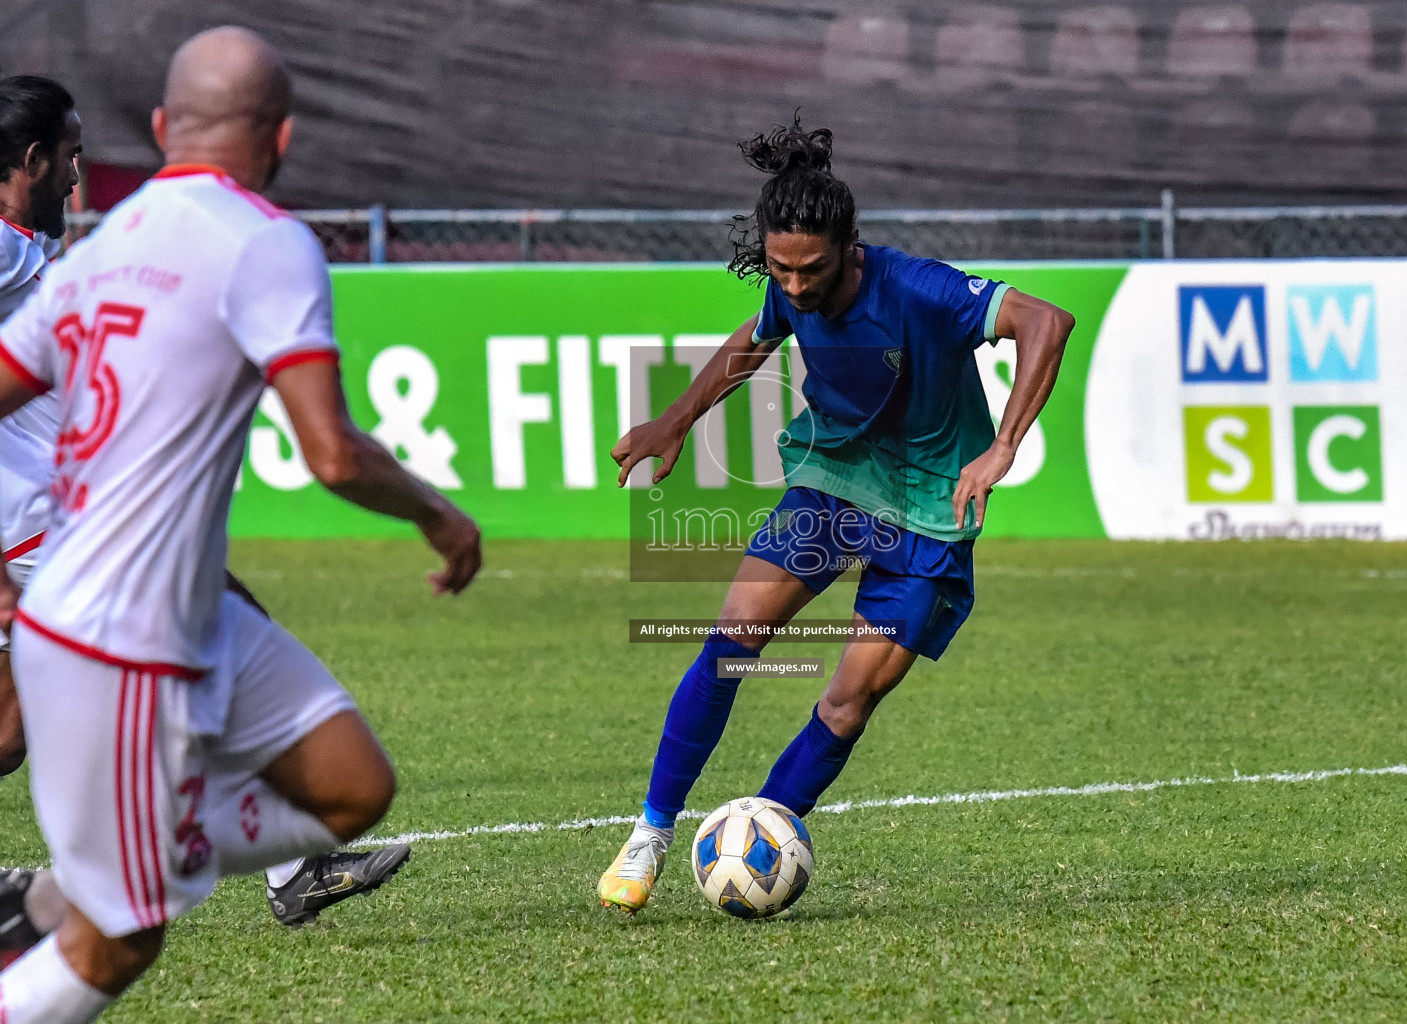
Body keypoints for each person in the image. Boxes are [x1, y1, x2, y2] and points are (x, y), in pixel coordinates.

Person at [0, 27, 480, 1022]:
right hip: (110, 619)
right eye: (70, 153)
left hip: (123, 592)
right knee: (121, 938)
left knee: (352, 782)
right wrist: (439, 514)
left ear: (168, 128)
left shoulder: (98, 254)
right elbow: (333, 453)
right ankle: (82, 892)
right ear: (286, 134)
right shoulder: (262, 240)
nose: (81, 171)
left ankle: (70, 886)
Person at [598, 118, 1075, 913]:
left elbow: (1046, 322)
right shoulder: (791, 287)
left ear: (850, 246)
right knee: (729, 646)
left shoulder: (920, 289)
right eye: (778, 268)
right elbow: (753, 340)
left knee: (848, 699)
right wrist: (675, 419)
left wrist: (1003, 449)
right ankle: (650, 832)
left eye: (808, 270)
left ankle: (764, 827)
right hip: (832, 484)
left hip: (929, 514)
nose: (792, 285)